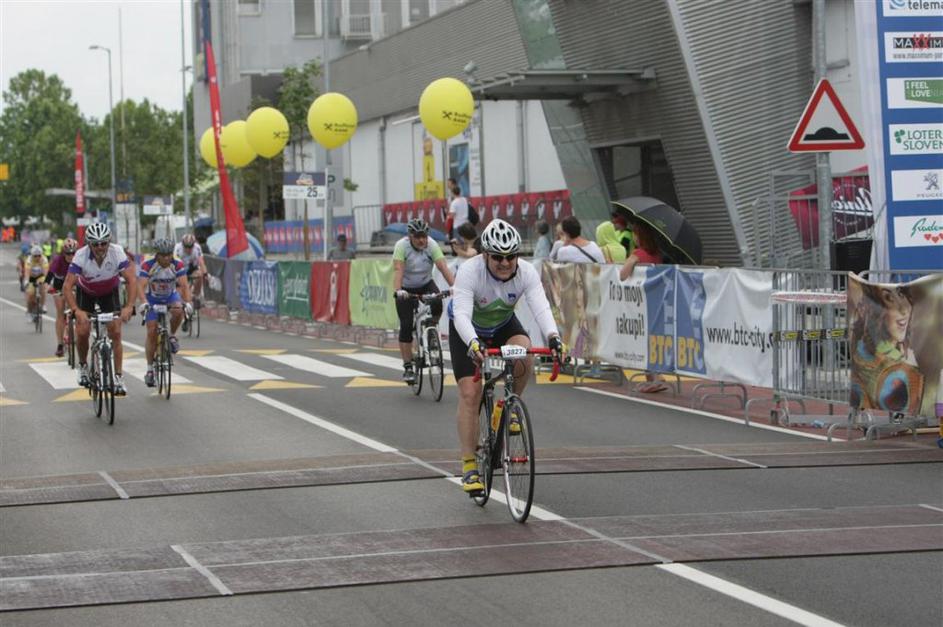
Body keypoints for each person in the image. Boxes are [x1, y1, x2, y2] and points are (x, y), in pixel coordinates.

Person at [450, 219, 565, 494]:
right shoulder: (470, 271)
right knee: (470, 392)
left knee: (525, 353)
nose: (505, 263)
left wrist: (553, 337)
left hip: (502, 324)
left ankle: (510, 404)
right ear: (485, 255)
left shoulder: (526, 272)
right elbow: (462, 314)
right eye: (498, 257)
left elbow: (541, 307)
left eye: (510, 256)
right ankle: (469, 466)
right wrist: (473, 344)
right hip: (467, 330)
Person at [63, 223, 136, 395]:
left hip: (109, 292)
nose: (100, 247)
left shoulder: (117, 252)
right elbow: (67, 286)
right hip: (86, 292)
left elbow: (131, 280)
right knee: (82, 330)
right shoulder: (80, 255)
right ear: (89, 244)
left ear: (109, 242)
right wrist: (76, 310)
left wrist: (129, 306)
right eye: (95, 244)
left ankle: (118, 377)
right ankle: (82, 366)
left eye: (103, 243)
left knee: (115, 332)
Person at [393, 218, 456, 383]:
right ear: (410, 236)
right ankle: (408, 366)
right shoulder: (401, 246)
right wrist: (398, 291)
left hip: (426, 283)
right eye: (417, 236)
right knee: (406, 325)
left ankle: (431, 328)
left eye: (424, 236)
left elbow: (443, 267)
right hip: (406, 287)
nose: (422, 240)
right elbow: (398, 270)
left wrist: (455, 287)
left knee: (437, 302)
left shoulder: (432, 245)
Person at [136, 238, 192, 388]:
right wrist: (143, 302)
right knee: (152, 331)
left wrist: (188, 303)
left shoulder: (177, 264)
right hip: (152, 299)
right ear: (157, 254)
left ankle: (172, 335)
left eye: (169, 255)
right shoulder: (148, 264)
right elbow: (140, 286)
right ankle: (149, 370)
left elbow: (184, 285)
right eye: (163, 255)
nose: (166, 258)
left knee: (179, 309)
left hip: (170, 296)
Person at [619, 219, 667, 393]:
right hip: (658, 301)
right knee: (654, 339)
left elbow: (623, 274)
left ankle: (654, 379)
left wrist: (632, 258)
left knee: (645, 340)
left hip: (642, 304)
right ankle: (654, 377)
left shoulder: (638, 254)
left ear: (639, 236)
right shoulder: (658, 255)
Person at [44, 238, 78, 357]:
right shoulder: (58, 260)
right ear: (64, 253)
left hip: (73, 284)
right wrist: (46, 285)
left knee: (76, 306)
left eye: (73, 253)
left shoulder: (79, 260)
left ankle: (75, 330)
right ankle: (60, 344)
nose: (71, 256)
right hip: (59, 285)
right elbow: (50, 274)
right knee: (60, 312)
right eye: (68, 253)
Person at [174, 233, 207, 306]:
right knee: (181, 295)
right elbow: (175, 265)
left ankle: (196, 295)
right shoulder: (178, 248)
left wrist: (205, 274)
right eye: (186, 247)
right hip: (180, 270)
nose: (188, 249)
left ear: (193, 245)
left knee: (200, 274)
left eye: (190, 247)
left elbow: (201, 261)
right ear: (182, 245)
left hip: (192, 269)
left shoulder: (197, 247)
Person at [23, 245, 49, 318]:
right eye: (35, 256)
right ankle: (29, 310)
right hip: (31, 277)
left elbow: (45, 272)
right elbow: (27, 272)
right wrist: (26, 281)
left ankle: (43, 305)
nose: (37, 257)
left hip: (40, 277)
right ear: (32, 255)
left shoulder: (44, 259)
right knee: (30, 295)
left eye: (39, 255)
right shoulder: (29, 260)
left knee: (43, 289)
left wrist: (47, 281)